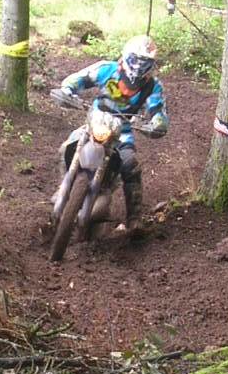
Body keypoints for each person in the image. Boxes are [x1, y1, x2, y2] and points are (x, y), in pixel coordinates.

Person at [51, 34, 168, 230]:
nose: (138, 66)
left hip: (122, 131)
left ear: (151, 64)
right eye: (135, 60)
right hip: (95, 122)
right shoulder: (108, 69)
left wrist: (157, 124)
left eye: (144, 62)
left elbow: (158, 110)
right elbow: (81, 78)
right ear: (126, 55)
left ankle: (134, 219)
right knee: (67, 146)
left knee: (131, 165)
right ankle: (63, 185)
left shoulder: (152, 86)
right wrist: (68, 90)